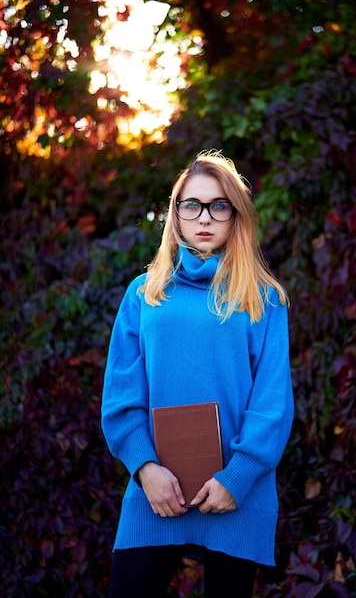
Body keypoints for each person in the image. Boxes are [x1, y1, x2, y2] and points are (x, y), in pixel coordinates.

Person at [101, 150, 294, 598]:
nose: (204, 217)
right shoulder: (144, 293)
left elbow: (273, 402)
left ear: (235, 216)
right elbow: (121, 395)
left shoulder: (262, 298)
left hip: (235, 493)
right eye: (192, 205)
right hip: (156, 489)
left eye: (218, 205)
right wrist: (144, 467)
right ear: (176, 213)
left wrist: (238, 477)